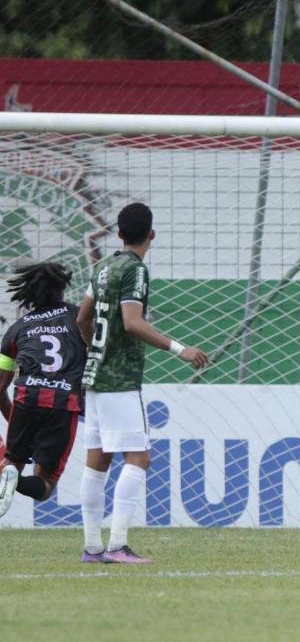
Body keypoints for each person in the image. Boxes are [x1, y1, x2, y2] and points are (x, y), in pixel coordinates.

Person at [77, 203, 210, 564]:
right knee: (139, 457)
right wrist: (180, 349)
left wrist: (95, 350)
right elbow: (132, 322)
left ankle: (92, 548)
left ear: (119, 234)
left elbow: (82, 317)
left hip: (95, 376)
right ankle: (117, 545)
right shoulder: (135, 270)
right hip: (120, 379)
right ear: (152, 235)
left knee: (97, 461)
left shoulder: (103, 267)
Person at [0, 263, 87, 521]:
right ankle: (15, 481)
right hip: (63, 403)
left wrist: (14, 418)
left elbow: (0, 387)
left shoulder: (16, 329)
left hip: (26, 399)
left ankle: (9, 475)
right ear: (62, 289)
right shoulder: (79, 318)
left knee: (11, 465)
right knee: (45, 486)